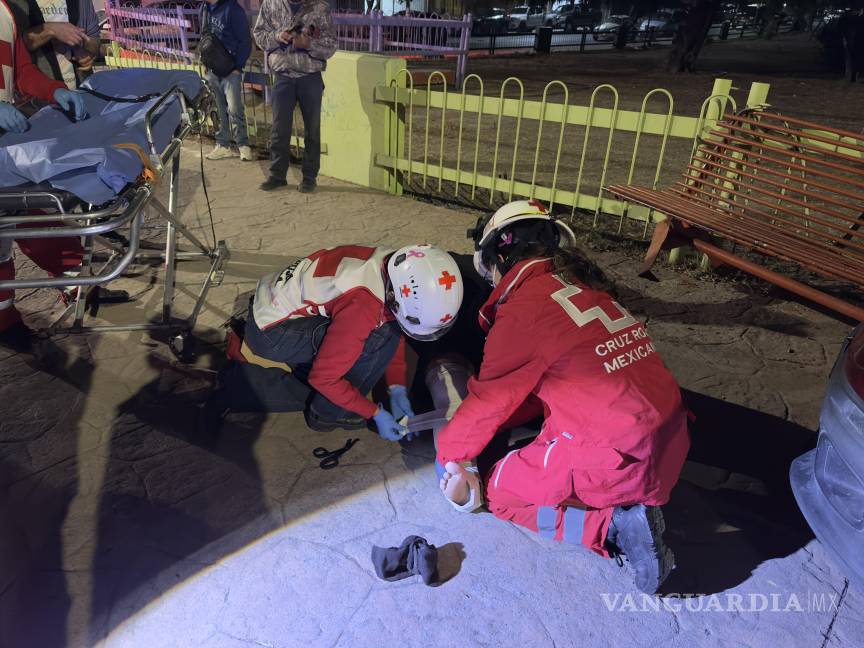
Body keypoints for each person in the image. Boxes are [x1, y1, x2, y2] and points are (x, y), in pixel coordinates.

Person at [435, 200, 690, 594]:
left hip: (618, 460)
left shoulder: (523, 310)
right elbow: (553, 379)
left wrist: (450, 458)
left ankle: (613, 529)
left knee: (500, 489)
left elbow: (489, 401)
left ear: (498, 258)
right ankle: (622, 501)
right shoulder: (586, 290)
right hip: (672, 443)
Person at [210, 244, 464, 438]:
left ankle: (324, 390)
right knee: (344, 367)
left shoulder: (398, 265)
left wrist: (396, 388)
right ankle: (324, 414)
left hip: (272, 302)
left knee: (375, 337)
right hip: (270, 332)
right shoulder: (365, 304)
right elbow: (325, 379)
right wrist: (373, 412)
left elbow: (393, 323)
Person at [0, 0, 86, 349]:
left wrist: (54, 90)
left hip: (3, 145)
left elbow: (21, 68)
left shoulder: (5, 10)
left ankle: (8, 318)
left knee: (15, 227)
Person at [253, 0, 336, 194]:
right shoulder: (271, 4)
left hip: (310, 77)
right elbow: (258, 34)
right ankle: (277, 175)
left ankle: (309, 178)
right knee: (279, 129)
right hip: (283, 75)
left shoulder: (320, 8)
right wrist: (277, 36)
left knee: (312, 131)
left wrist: (309, 45)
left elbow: (331, 45)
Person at [201, 0, 253, 162]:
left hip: (231, 69)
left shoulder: (233, 9)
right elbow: (204, 37)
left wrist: (238, 66)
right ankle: (223, 145)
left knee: (234, 108)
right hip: (212, 69)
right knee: (218, 108)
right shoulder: (204, 8)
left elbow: (245, 40)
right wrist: (205, 61)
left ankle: (243, 145)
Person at [8, 0, 100, 88]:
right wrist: (50, 30)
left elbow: (93, 36)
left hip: (80, 90)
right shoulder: (13, 3)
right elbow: (13, 47)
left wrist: (88, 54)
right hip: (39, 97)